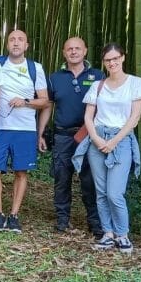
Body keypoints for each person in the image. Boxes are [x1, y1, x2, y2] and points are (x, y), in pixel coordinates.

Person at [78, 43, 141, 254]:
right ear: (104, 62)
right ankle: (107, 233)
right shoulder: (98, 86)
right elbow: (88, 116)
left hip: (122, 140)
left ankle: (122, 234)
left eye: (116, 58)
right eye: (108, 60)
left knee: (114, 192)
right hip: (97, 139)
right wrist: (97, 139)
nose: (112, 62)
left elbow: (134, 118)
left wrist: (114, 141)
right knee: (100, 192)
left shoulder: (135, 84)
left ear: (123, 58)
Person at [0, 28, 48, 232]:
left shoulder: (35, 68)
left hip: (25, 129)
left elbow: (45, 101)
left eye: (21, 39)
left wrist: (26, 101)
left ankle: (14, 215)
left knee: (21, 172)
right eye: (12, 39)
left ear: (27, 45)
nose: (16, 43)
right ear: (7, 44)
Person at [38, 37, 104, 237]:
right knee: (61, 178)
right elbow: (48, 106)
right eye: (69, 49)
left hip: (89, 135)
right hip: (63, 136)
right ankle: (62, 219)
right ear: (64, 53)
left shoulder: (98, 76)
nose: (73, 52)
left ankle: (95, 222)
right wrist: (40, 133)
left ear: (85, 51)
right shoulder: (55, 78)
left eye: (77, 48)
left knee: (90, 180)